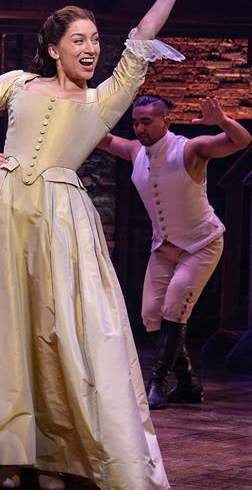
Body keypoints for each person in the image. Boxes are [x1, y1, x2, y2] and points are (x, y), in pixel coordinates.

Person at [0, 0, 195, 489]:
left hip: (59, 221)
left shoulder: (104, 100)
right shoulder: (18, 83)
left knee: (60, 329)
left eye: (95, 40)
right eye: (79, 39)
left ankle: (56, 450)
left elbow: (141, 41)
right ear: (55, 49)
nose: (91, 48)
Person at [98, 95, 250, 410]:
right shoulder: (136, 150)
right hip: (164, 248)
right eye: (135, 122)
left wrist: (222, 120)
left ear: (166, 121)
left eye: (146, 122)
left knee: (173, 308)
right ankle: (188, 382)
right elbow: (106, 140)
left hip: (200, 245)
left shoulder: (190, 149)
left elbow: (242, 140)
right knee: (150, 314)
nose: (139, 129)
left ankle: (157, 383)